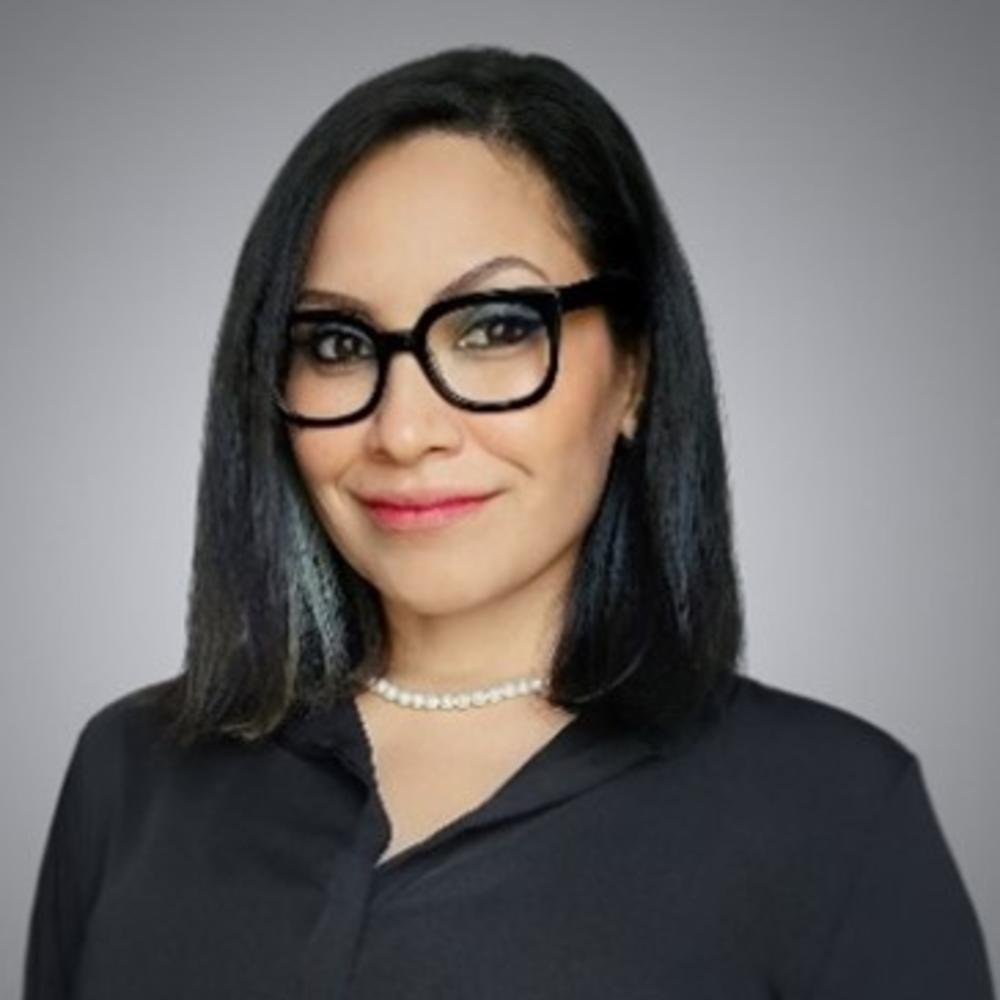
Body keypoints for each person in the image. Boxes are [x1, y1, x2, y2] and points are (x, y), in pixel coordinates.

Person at [21, 44, 994, 1000]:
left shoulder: (831, 814)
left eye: (493, 327)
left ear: (636, 372)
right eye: (333, 341)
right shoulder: (132, 773)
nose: (402, 429)